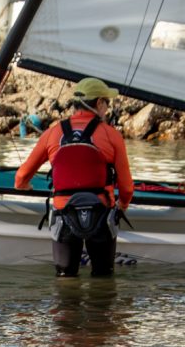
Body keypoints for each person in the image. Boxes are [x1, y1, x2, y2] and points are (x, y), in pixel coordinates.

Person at [14, 77, 134, 277]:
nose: (108, 108)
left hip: (64, 213)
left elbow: (20, 178)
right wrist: (122, 205)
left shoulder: (52, 133)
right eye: (107, 102)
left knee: (65, 277)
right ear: (99, 103)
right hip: (102, 213)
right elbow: (127, 187)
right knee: (103, 277)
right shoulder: (112, 135)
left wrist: (25, 186)